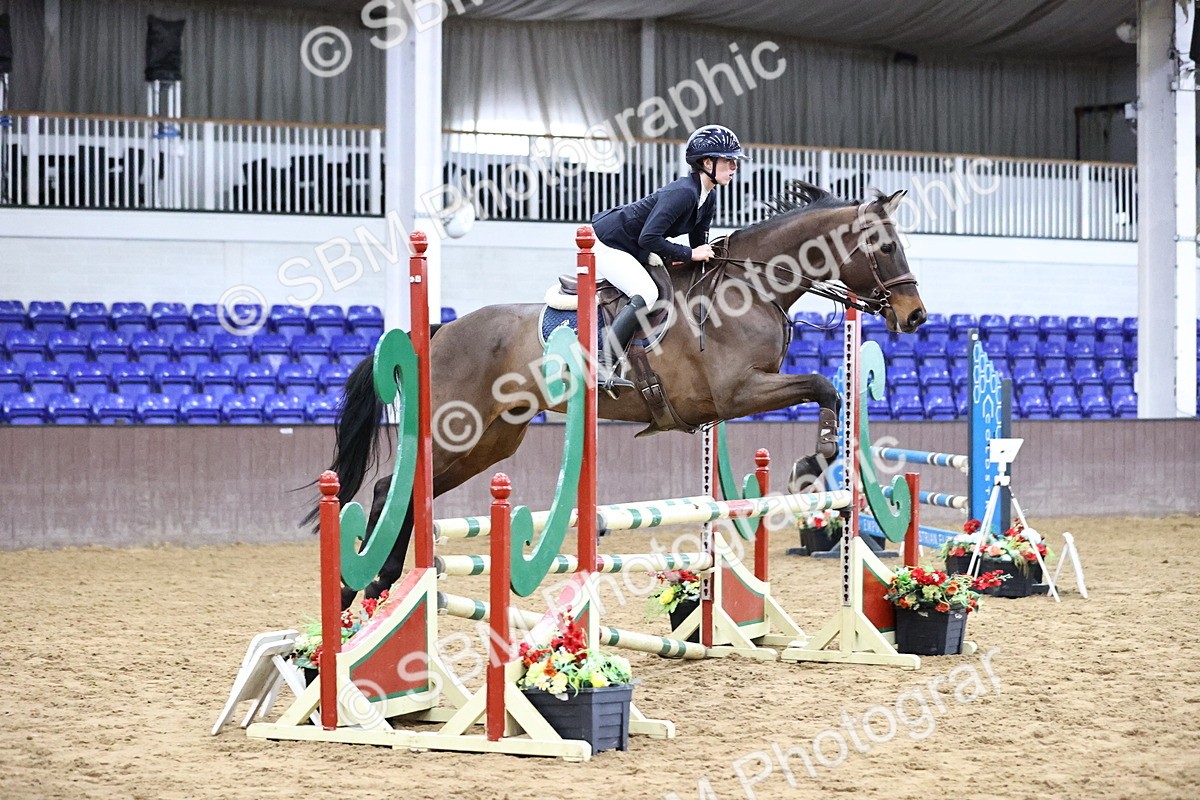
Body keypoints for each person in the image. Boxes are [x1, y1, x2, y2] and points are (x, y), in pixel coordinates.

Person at [590, 124, 748, 395]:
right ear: (707, 162)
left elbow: (699, 244)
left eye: (734, 162)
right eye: (728, 160)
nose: (734, 167)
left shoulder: (707, 198)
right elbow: (649, 238)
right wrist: (689, 254)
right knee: (646, 292)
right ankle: (604, 365)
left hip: (634, 246)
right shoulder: (683, 193)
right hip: (607, 242)